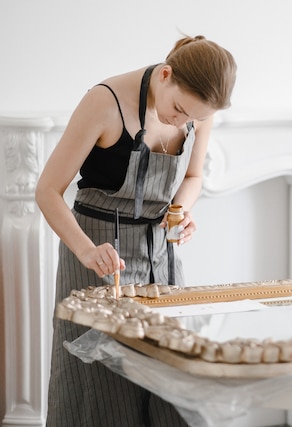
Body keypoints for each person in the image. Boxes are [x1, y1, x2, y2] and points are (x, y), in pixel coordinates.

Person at [35, 35, 237, 426]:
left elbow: (194, 175)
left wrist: (181, 210)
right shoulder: (104, 102)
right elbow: (47, 191)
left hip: (161, 255)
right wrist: (86, 251)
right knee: (98, 383)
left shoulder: (199, 108)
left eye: (191, 118)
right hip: (96, 257)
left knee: (172, 372)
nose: (182, 122)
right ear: (165, 75)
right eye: (178, 109)